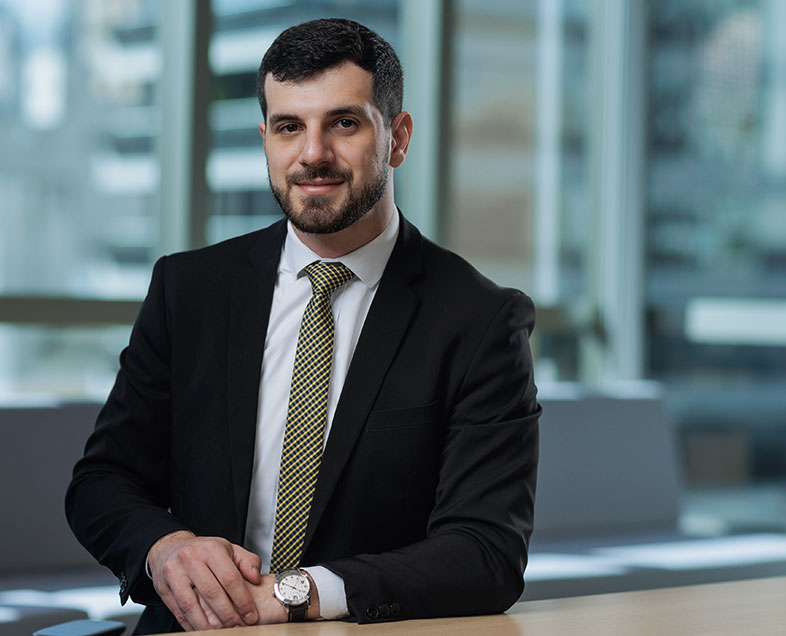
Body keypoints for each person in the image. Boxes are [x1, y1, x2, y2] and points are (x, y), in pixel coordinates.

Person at [66, 18, 540, 634]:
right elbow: (102, 482)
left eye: (343, 123)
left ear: (397, 138)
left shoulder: (480, 321)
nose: (312, 153)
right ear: (265, 138)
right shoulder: (189, 291)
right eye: (289, 127)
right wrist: (166, 549)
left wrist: (298, 594)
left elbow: (487, 553)